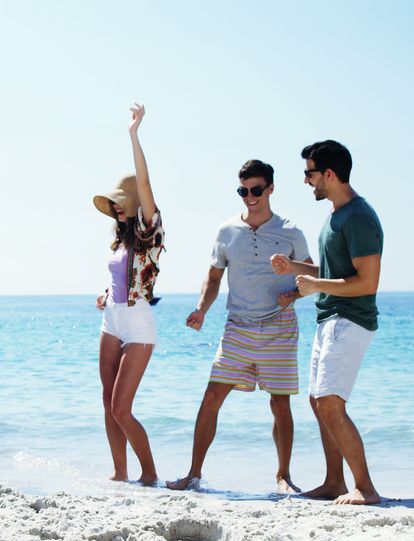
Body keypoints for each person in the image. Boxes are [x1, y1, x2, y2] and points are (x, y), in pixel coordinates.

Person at [167, 160, 312, 493]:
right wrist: (202, 309)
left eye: (256, 190)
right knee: (212, 396)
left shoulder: (291, 231)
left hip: (279, 326)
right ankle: (193, 474)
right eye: (243, 191)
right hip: (238, 326)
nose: (250, 196)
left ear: (271, 189)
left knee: (280, 403)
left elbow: (311, 274)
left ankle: (284, 476)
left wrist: (292, 292)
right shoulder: (227, 231)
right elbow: (214, 276)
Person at [271, 139, 384, 505]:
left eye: (310, 173)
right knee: (318, 400)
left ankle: (365, 488)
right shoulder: (336, 216)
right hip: (330, 317)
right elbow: (333, 272)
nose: (307, 181)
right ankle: (335, 481)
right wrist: (296, 269)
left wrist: (315, 285)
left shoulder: (360, 217)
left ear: (329, 174)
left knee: (331, 403)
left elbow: (367, 282)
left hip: (350, 319)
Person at [92, 104, 164, 486]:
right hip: (112, 319)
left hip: (137, 322)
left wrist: (133, 135)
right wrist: (105, 294)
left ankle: (149, 473)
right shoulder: (119, 237)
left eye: (122, 199)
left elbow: (147, 185)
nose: (116, 205)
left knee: (122, 408)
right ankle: (120, 472)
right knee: (107, 401)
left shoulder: (151, 230)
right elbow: (120, 274)